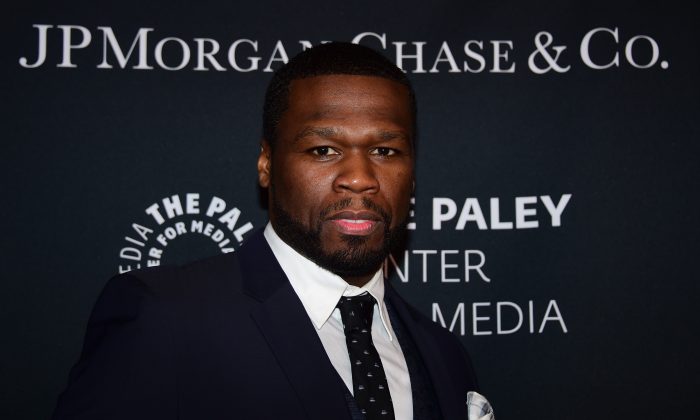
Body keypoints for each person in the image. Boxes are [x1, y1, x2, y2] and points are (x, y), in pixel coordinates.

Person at [52, 42, 479, 420]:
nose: (359, 177)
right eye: (323, 150)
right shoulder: (165, 320)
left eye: (385, 151)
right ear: (266, 164)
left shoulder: (443, 354)